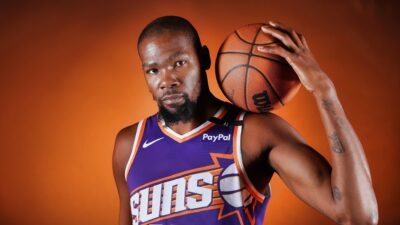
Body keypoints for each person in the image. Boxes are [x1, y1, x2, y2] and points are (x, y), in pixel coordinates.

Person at [112, 16, 378, 225]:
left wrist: (324, 90)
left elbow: (358, 216)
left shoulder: (253, 132)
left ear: (203, 58)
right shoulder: (129, 145)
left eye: (179, 63)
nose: (166, 80)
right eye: (153, 70)